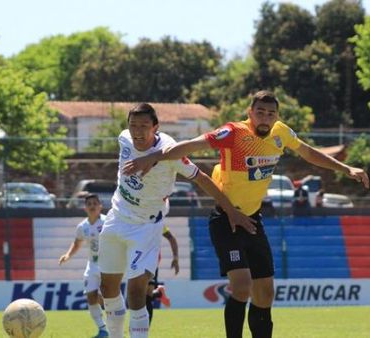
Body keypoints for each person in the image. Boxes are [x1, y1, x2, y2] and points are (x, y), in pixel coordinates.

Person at [122, 91, 370, 338]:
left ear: (277, 116)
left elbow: (308, 152)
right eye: (259, 112)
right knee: (241, 287)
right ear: (250, 114)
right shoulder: (234, 132)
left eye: (270, 114)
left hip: (252, 220)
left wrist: (346, 167)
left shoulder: (281, 133)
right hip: (225, 219)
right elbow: (193, 145)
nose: (265, 118)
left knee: (265, 293)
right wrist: (153, 157)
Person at [98, 103, 256, 338]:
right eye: (133, 126)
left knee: (136, 292)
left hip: (146, 226)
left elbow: (201, 178)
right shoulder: (124, 139)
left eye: (144, 126)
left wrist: (230, 210)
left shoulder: (170, 153)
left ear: (156, 127)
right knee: (107, 290)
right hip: (116, 218)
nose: (137, 131)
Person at [59, 193, 109, 338]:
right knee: (91, 297)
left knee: (107, 297)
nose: (92, 206)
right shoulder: (83, 226)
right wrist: (68, 255)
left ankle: (115, 326)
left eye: (95, 203)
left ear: (100, 206)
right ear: (85, 208)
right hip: (92, 265)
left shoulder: (107, 222)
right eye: (89, 204)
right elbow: (77, 242)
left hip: (108, 265)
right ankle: (103, 330)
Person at [145, 225, 178, 324]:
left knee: (146, 297)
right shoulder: (134, 218)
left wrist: (175, 257)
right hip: (135, 260)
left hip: (151, 261)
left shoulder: (157, 221)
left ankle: (144, 331)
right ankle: (159, 292)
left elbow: (171, 238)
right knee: (138, 296)